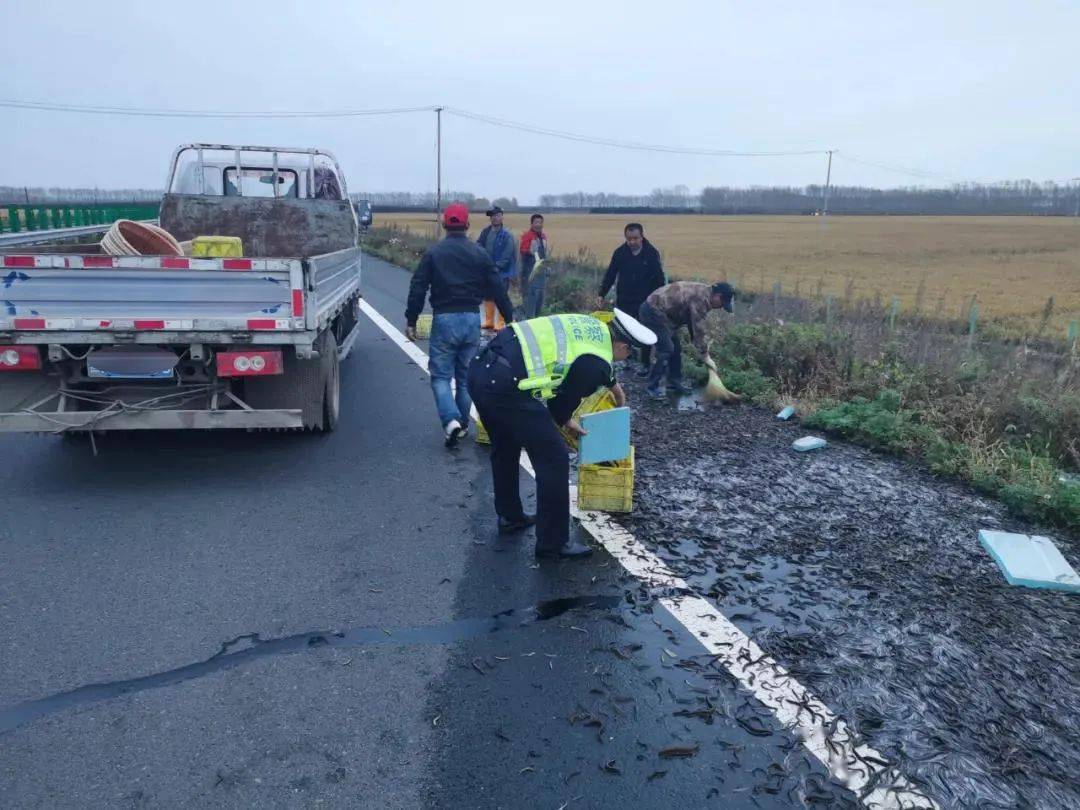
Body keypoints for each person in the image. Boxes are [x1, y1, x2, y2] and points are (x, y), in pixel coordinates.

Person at [468, 310, 656, 559]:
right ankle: (553, 544)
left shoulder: (592, 327)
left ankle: (510, 516)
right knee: (554, 458)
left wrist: (615, 388)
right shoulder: (597, 361)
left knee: (506, 445)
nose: (626, 359)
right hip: (505, 387)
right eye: (629, 353)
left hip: (482, 370)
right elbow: (561, 402)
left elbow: (592, 362)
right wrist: (568, 422)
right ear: (622, 345)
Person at [406, 203, 514, 447]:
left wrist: (411, 320)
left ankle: (450, 420)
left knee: (441, 376)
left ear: (445, 225)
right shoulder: (478, 253)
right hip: (470, 319)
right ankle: (463, 425)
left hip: (444, 318)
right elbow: (497, 286)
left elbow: (418, 286)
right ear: (466, 225)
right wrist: (510, 317)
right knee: (465, 378)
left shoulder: (434, 253)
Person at [638, 281, 734, 400]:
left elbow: (692, 323)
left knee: (676, 348)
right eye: (722, 304)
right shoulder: (701, 299)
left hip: (665, 316)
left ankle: (673, 383)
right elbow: (698, 329)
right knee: (666, 348)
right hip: (652, 311)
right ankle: (651, 387)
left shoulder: (705, 294)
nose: (720, 307)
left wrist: (699, 347)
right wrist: (705, 356)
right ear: (717, 296)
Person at [596, 223, 666, 377]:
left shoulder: (651, 253)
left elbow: (659, 278)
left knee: (644, 331)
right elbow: (610, 274)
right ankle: (627, 358)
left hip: (645, 301)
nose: (632, 242)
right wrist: (602, 293)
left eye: (635, 238)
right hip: (625, 299)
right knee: (624, 331)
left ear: (642, 237)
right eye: (629, 239)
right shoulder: (620, 253)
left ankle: (645, 364)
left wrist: (659, 298)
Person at [476, 206, 518, 331]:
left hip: (502, 272)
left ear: (501, 216)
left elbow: (507, 255)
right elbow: (478, 246)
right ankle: (489, 321)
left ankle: (500, 322)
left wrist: (496, 267)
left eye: (497, 215)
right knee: (487, 296)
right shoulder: (485, 232)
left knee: (501, 296)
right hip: (487, 270)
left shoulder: (507, 235)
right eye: (492, 216)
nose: (494, 218)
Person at [518, 213, 550, 318]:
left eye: (540, 222)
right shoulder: (527, 237)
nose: (538, 225)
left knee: (539, 304)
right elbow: (522, 253)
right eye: (536, 222)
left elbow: (545, 255)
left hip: (541, 276)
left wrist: (547, 267)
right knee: (530, 304)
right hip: (530, 276)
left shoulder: (543, 237)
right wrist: (529, 251)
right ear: (531, 224)